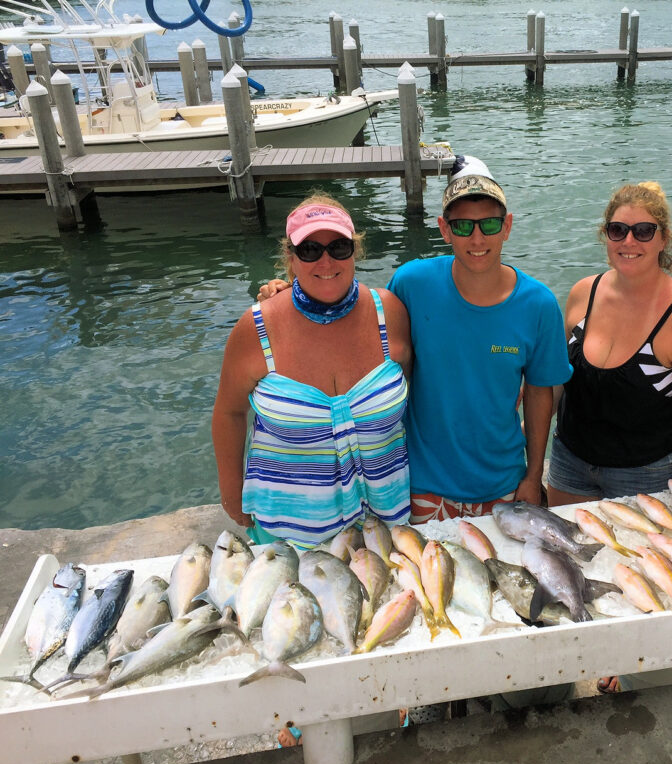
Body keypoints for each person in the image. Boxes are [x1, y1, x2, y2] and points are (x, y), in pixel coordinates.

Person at [211, 193, 413, 549]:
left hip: (387, 528)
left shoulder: (391, 313)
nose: (326, 260)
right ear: (290, 258)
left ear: (355, 250)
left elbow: (415, 393)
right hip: (289, 538)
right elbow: (229, 412)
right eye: (309, 250)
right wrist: (231, 493)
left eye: (338, 247)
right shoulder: (255, 328)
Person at [386, 156, 573, 523]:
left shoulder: (539, 304)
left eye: (489, 224)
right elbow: (358, 318)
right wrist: (287, 295)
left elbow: (539, 393)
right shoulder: (410, 284)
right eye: (462, 226)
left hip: (503, 485)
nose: (477, 238)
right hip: (420, 487)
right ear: (443, 229)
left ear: (507, 227)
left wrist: (533, 476)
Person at [547, 181, 672, 506]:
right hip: (570, 461)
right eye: (618, 230)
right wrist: (529, 432)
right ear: (606, 235)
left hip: (646, 475)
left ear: (663, 238)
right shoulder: (583, 294)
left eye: (643, 231)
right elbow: (560, 381)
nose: (629, 241)